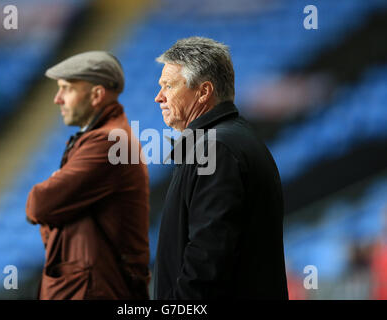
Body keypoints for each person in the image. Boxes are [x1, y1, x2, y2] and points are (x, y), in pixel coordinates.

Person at [153, 37, 288, 299]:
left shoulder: (216, 149)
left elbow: (206, 263)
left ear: (204, 92)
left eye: (168, 86)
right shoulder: (229, 141)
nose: (159, 97)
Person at [26, 51, 150, 300]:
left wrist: (51, 195)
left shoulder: (108, 140)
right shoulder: (102, 137)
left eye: (66, 89)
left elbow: (39, 205)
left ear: (96, 95)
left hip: (92, 291)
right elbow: (48, 220)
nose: (57, 99)